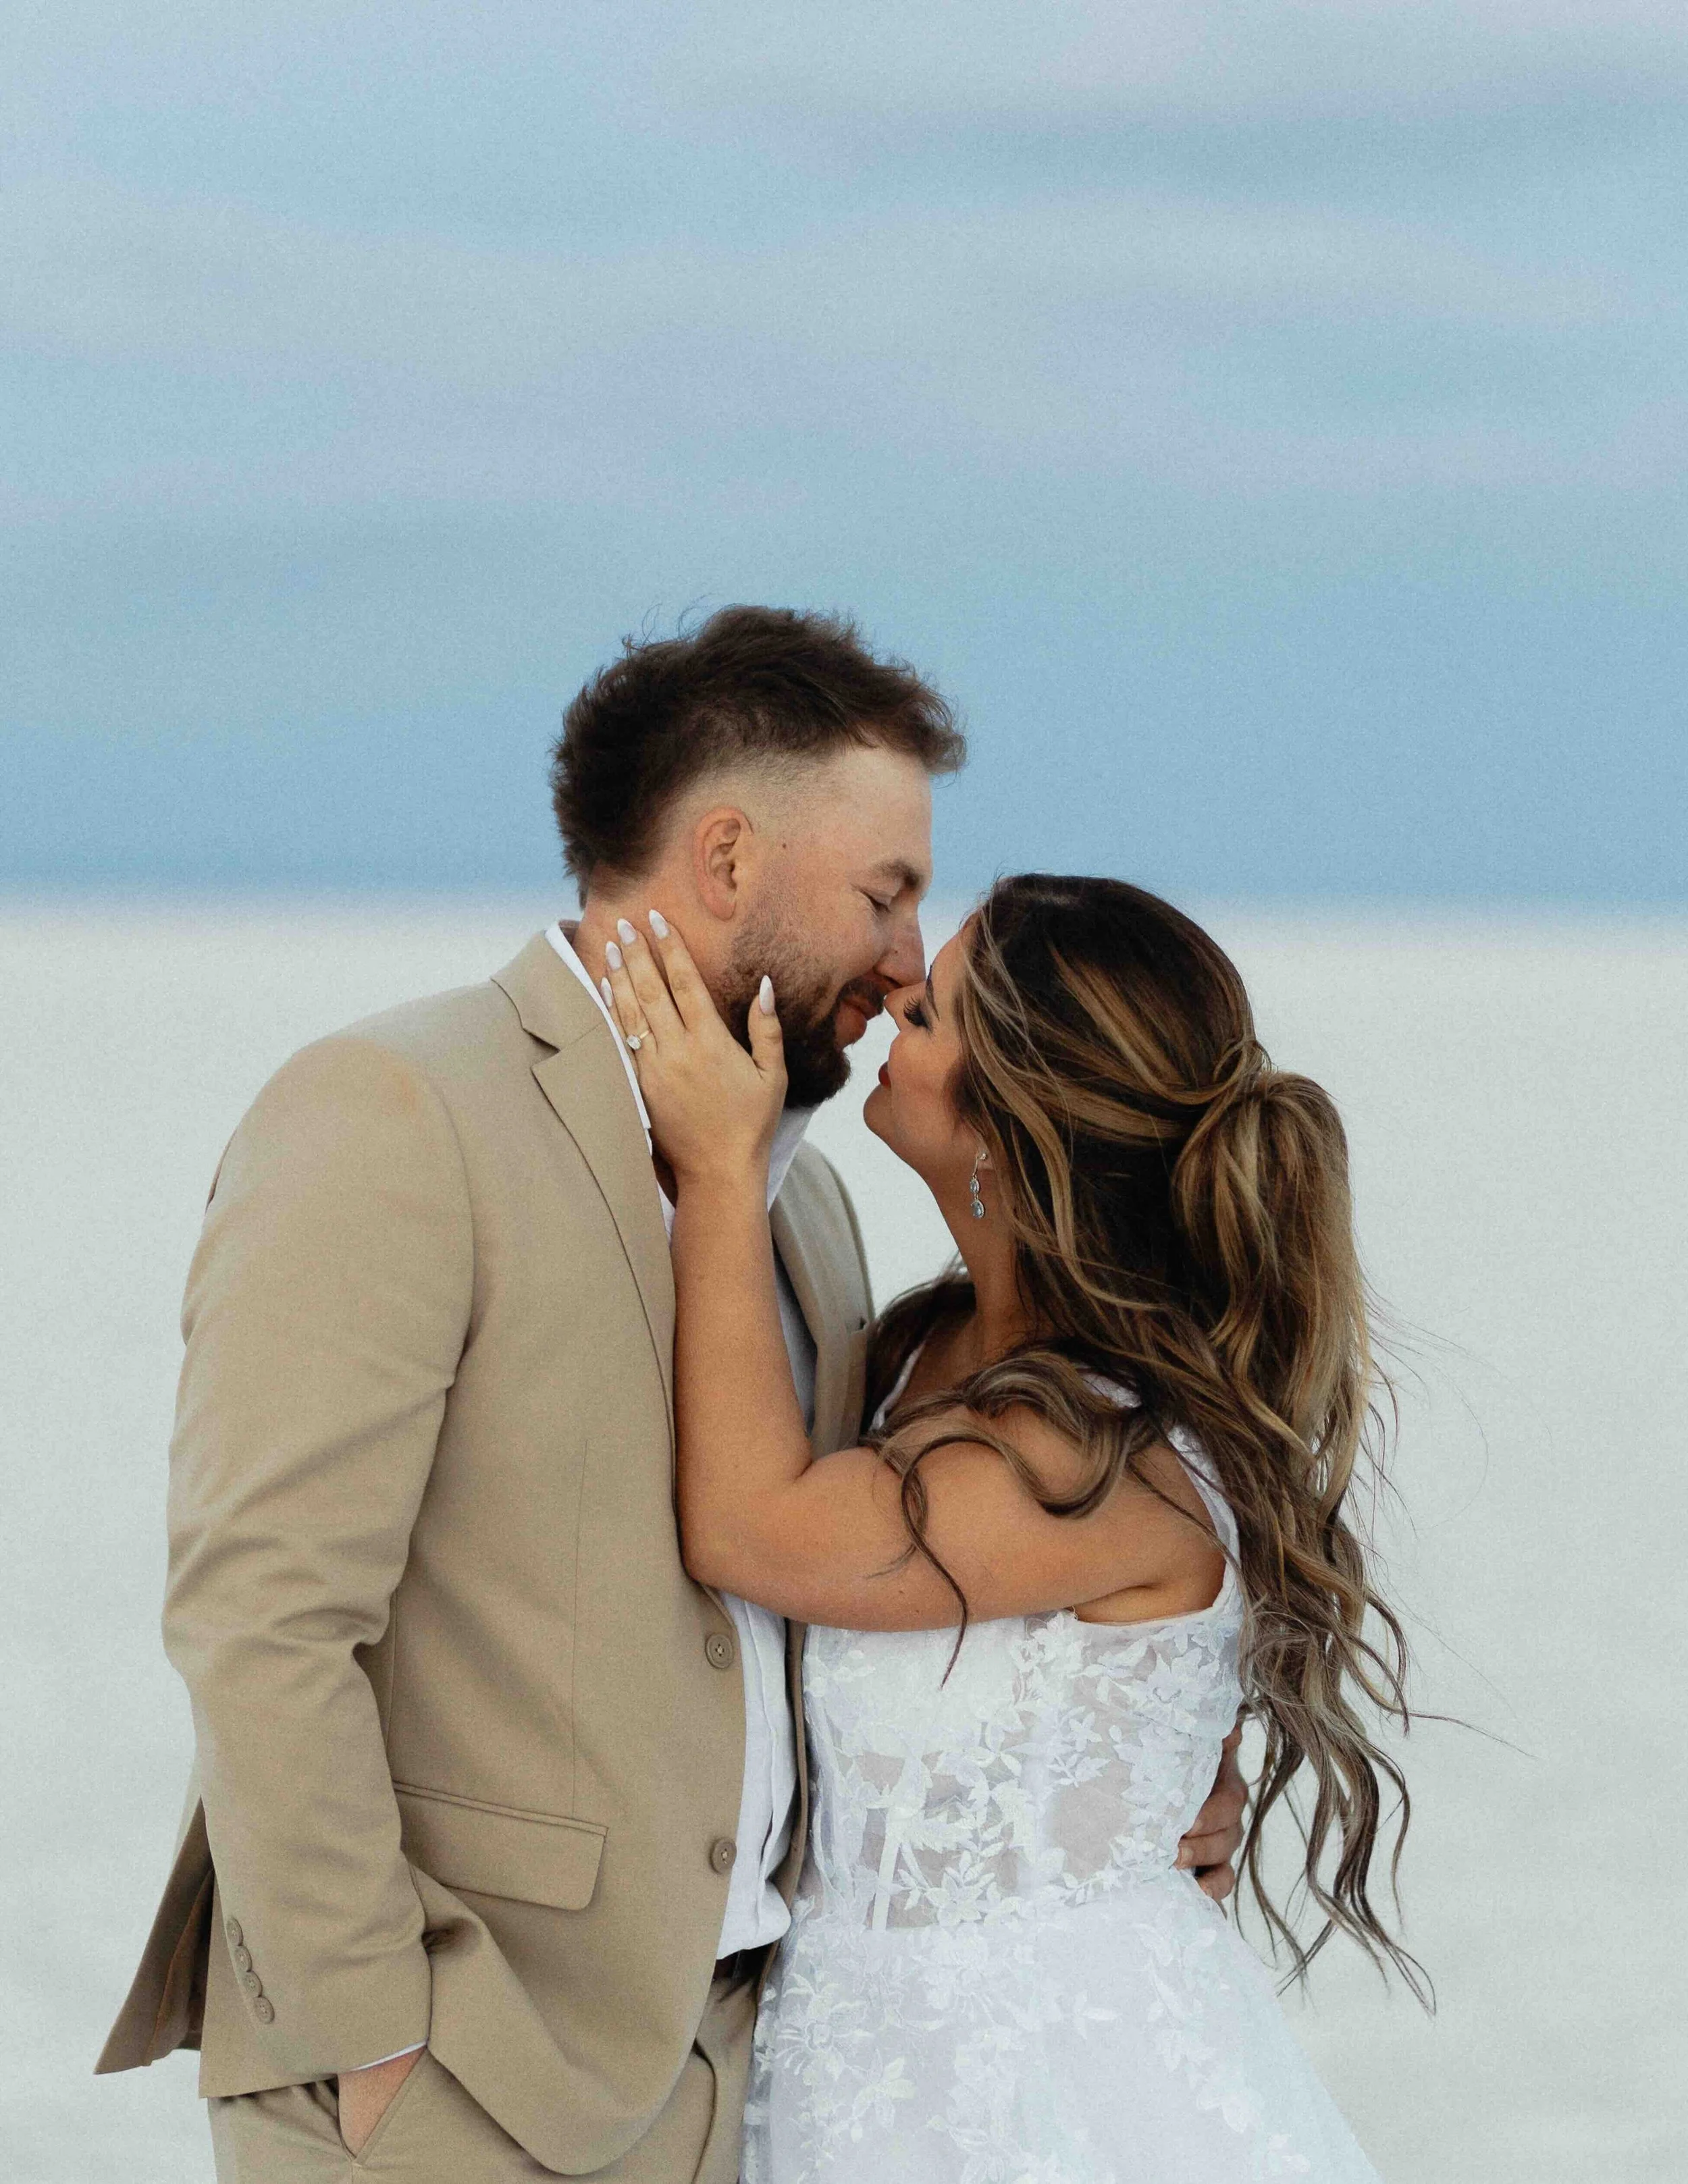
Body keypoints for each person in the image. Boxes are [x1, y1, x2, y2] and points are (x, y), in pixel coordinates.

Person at [96, 610, 1248, 2183]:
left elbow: (883, 1596)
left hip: (756, 2081)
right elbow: (262, 1615)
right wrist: (370, 2041)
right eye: (883, 895)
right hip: (459, 2084)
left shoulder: (800, 1202)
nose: (904, 961)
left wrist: (1134, 1783)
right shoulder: (399, 1113)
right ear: (724, 859)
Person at [599, 871, 1419, 2182]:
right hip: (859, 2065)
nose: (891, 1009)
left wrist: (718, 1166)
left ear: (1007, 1123)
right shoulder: (927, 1347)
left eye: (927, 1015)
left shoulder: (1082, 1454)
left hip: (1047, 2097)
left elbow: (752, 1531)